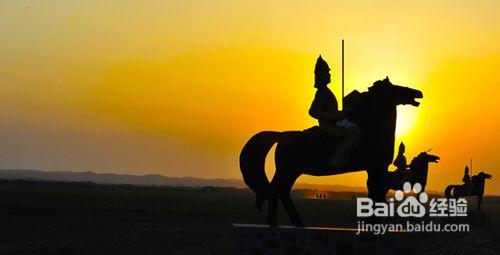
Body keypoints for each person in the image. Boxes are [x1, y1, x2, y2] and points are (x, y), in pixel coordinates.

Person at [309, 55, 361, 168]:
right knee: (354, 134)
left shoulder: (327, 92)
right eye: (327, 73)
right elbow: (313, 112)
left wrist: (342, 113)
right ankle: (337, 157)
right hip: (327, 126)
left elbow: (331, 110)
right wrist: (337, 116)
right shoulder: (322, 93)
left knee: (354, 129)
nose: (329, 75)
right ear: (322, 76)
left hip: (334, 122)